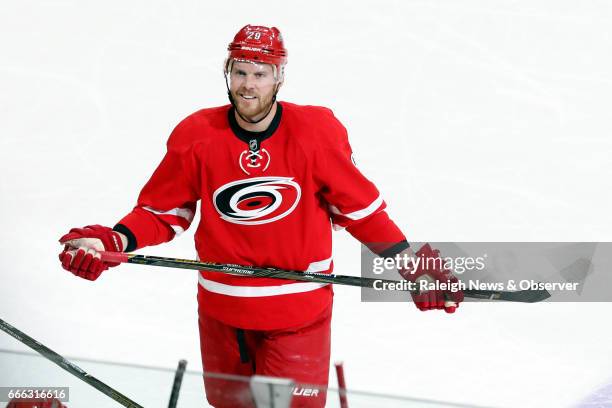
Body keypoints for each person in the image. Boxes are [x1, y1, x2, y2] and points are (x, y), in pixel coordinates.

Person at [58, 24, 464, 407]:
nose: (248, 84)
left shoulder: (315, 134)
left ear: (279, 77)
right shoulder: (197, 135)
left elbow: (360, 212)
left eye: (260, 73)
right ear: (227, 73)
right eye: (239, 72)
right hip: (221, 314)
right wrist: (112, 240)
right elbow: (163, 213)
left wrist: (414, 266)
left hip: (297, 318)